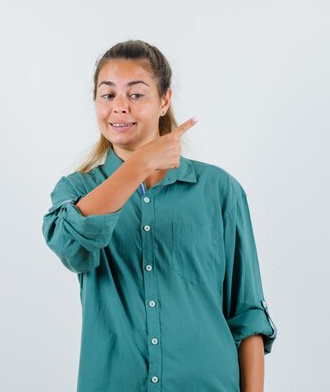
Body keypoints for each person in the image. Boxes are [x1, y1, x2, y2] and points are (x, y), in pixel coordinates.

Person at [41, 39, 277, 392]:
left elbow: (247, 314)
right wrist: (138, 165)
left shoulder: (219, 190)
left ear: (164, 100)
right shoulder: (76, 191)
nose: (120, 107)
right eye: (108, 95)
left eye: (136, 95)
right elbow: (70, 246)